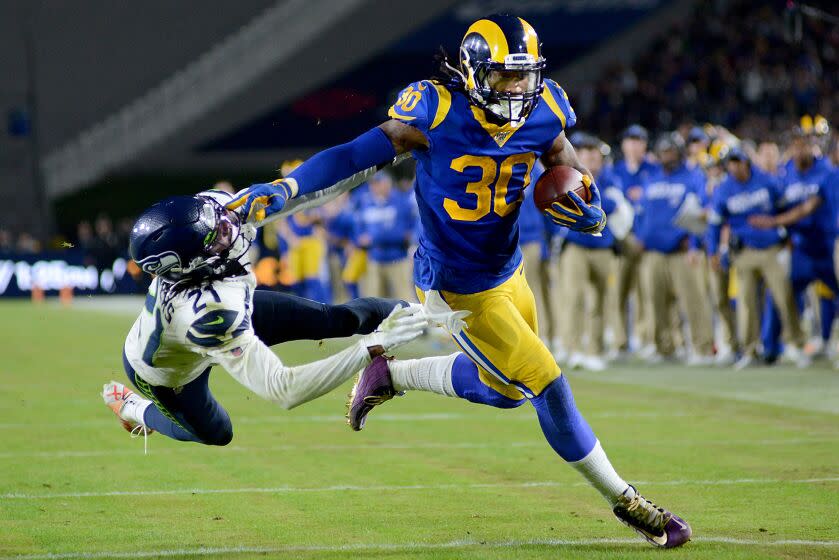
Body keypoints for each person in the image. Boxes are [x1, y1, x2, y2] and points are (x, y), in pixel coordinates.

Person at [229, 14, 691, 549]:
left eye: (525, 76)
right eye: (504, 77)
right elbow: (356, 155)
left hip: (508, 270)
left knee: (506, 392)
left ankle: (392, 377)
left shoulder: (545, 109)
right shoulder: (436, 109)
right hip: (454, 285)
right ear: (473, 74)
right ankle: (627, 502)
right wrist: (286, 189)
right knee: (546, 383)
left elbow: (562, 159)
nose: (518, 89)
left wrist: (589, 199)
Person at [102, 191, 433, 447]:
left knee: (334, 319)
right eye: (214, 239)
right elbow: (285, 389)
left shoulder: (212, 211)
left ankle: (430, 313)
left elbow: (288, 195)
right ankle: (133, 409)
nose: (228, 231)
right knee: (218, 433)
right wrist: (370, 347)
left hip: (224, 306)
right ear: (190, 266)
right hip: (169, 372)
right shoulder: (207, 315)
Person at [706, 147, 808, 369]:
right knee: (746, 301)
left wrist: (788, 235)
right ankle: (750, 350)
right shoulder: (724, 189)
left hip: (771, 247)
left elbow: (786, 209)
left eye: (737, 162)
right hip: (744, 251)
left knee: (784, 296)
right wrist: (713, 251)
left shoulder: (767, 181)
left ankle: (795, 345)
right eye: (731, 163)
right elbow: (714, 224)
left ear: (746, 163)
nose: (734, 166)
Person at [751, 129, 836, 362]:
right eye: (796, 145)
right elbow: (777, 204)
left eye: (805, 145)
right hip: (800, 247)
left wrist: (772, 222)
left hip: (827, 245)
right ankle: (770, 348)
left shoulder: (827, 171)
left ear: (813, 145)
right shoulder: (785, 174)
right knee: (782, 292)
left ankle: (828, 341)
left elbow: (808, 207)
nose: (801, 150)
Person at [635, 133, 714, 364]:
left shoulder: (693, 177)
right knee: (655, 303)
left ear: (679, 153)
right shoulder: (652, 178)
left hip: (682, 251)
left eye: (671, 152)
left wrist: (694, 244)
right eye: (664, 152)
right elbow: (641, 212)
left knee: (693, 301)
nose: (667, 156)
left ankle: (702, 347)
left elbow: (701, 211)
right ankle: (664, 348)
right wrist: (640, 236)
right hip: (653, 252)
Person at [553, 133, 626, 371]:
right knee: (573, 298)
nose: (591, 158)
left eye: (595, 154)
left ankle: (595, 350)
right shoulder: (569, 176)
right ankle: (572, 348)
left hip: (603, 247)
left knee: (601, 300)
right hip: (575, 245)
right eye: (586, 153)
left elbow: (614, 204)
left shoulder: (610, 179)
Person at [609, 125, 658, 358]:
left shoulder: (654, 170)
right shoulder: (616, 171)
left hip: (646, 239)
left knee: (646, 291)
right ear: (624, 145)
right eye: (630, 140)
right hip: (622, 239)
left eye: (639, 141)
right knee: (618, 290)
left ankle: (644, 337)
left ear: (645, 145)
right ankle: (619, 340)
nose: (634, 145)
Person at [354, 171, 416, 301]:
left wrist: (374, 238)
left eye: (378, 183)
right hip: (374, 258)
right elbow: (359, 229)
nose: (374, 187)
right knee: (373, 299)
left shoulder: (400, 201)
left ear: (387, 184)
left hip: (397, 258)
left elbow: (403, 233)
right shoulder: (366, 202)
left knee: (405, 298)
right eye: (373, 184)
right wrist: (361, 238)